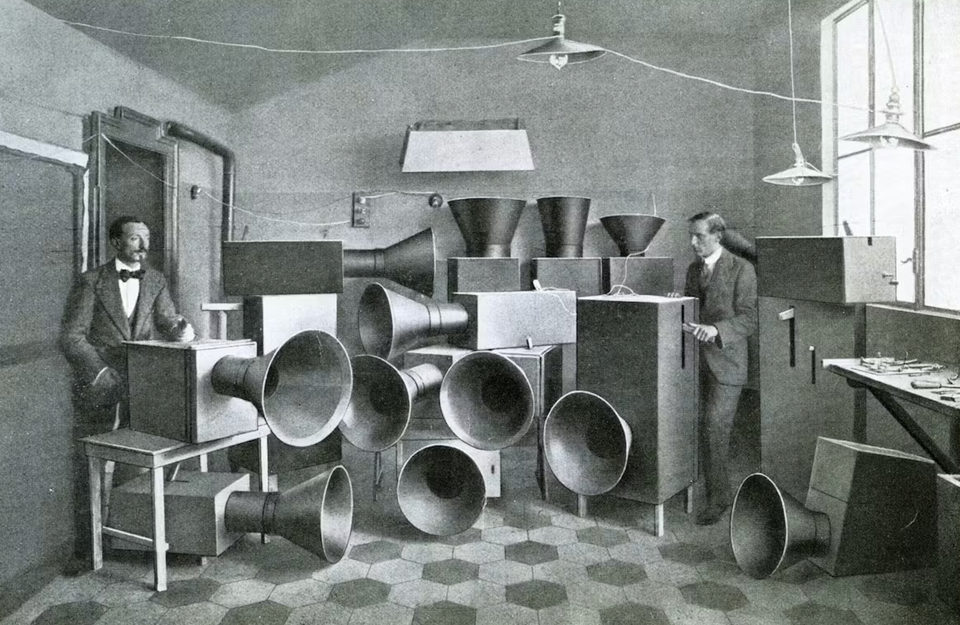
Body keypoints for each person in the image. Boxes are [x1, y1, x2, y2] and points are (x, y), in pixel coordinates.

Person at [60, 215, 195, 573]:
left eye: (146, 239)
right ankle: (90, 549)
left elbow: (168, 322)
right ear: (116, 243)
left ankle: (131, 540)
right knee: (92, 464)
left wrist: (182, 331)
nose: (143, 246)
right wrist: (100, 372)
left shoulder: (156, 280)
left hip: (143, 383)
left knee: (142, 460)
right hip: (100, 384)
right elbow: (71, 337)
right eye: (135, 239)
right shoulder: (91, 282)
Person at [679, 211, 757, 525]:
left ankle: (719, 498)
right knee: (691, 427)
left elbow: (750, 318)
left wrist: (717, 331)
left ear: (718, 235)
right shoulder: (692, 269)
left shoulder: (743, 269)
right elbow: (692, 307)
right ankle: (687, 485)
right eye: (691, 235)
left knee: (714, 429)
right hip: (694, 362)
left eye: (699, 235)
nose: (692, 242)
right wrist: (679, 304)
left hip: (727, 364)